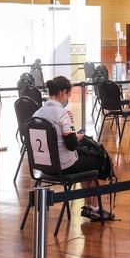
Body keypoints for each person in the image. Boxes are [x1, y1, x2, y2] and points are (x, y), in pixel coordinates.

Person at [32, 76, 115, 222]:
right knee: (101, 161)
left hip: (42, 166)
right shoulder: (62, 113)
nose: (68, 99)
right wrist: (78, 137)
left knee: (87, 162)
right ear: (63, 92)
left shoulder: (37, 113)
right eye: (69, 95)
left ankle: (89, 205)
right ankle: (94, 207)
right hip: (63, 166)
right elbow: (71, 145)